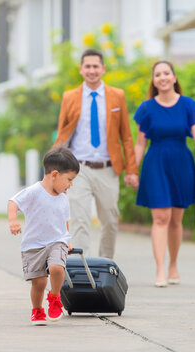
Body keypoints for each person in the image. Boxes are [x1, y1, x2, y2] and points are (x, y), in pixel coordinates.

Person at [54, 48, 138, 259]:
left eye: (95, 66)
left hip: (107, 168)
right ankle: (81, 269)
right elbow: (62, 133)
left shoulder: (116, 96)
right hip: (77, 169)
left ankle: (105, 266)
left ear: (103, 69)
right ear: (81, 69)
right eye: (88, 66)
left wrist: (132, 170)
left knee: (110, 220)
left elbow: (126, 136)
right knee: (80, 220)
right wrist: (56, 168)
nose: (92, 70)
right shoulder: (70, 97)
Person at [133, 60, 195, 287]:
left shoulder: (188, 105)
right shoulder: (146, 108)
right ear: (154, 80)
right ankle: (159, 270)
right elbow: (139, 144)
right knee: (160, 217)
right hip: (155, 163)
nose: (163, 77)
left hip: (181, 163)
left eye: (166, 73)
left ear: (174, 77)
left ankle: (173, 264)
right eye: (158, 74)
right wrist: (132, 170)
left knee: (176, 219)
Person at [7, 146, 79, 325]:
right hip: (34, 244)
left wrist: (67, 239)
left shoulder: (63, 197)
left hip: (57, 241)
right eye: (69, 179)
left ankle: (55, 297)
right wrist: (13, 220)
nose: (70, 185)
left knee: (56, 268)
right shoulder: (33, 191)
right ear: (54, 174)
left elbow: (65, 220)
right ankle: (37, 310)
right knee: (38, 283)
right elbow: (13, 202)